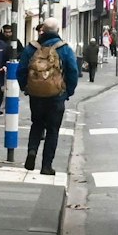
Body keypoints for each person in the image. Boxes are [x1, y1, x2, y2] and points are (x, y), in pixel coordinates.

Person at [23, 20, 81, 176]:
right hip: (56, 96)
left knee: (36, 124)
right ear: (57, 30)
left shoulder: (32, 48)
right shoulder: (64, 48)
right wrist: (68, 92)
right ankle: (46, 166)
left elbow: (21, 70)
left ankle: (32, 151)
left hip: (36, 96)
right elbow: (73, 71)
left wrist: (26, 88)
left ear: (42, 30)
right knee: (53, 130)